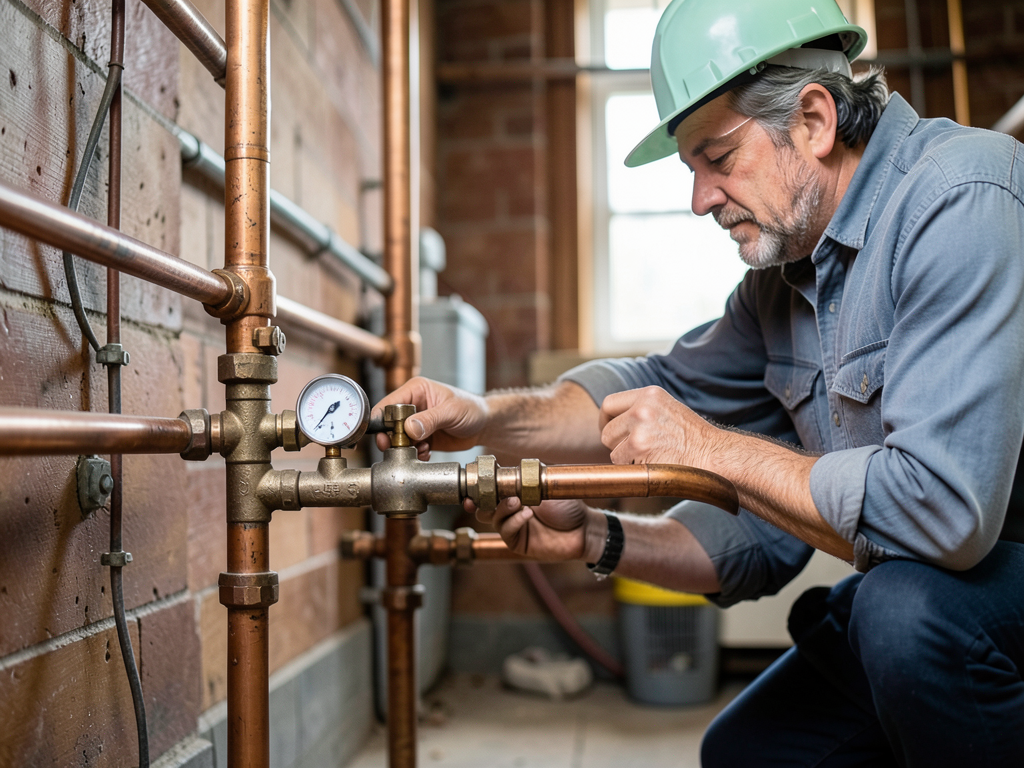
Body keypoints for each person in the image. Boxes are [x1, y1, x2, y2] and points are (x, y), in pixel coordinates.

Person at [375, 0, 1024, 764]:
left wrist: (710, 450)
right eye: (692, 171)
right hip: (937, 602)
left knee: (898, 613)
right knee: (750, 751)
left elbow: (942, 513)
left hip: (966, 587)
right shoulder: (786, 285)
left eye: (718, 159)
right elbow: (722, 494)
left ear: (814, 119)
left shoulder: (960, 200)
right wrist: (493, 426)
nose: (700, 200)